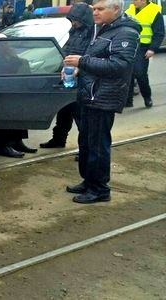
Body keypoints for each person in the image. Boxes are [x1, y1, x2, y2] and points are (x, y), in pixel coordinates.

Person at [63, 0, 139, 203]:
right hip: (90, 94)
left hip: (103, 97)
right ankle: (89, 181)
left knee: (97, 145)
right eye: (94, 9)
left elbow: (120, 65)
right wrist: (80, 68)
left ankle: (100, 189)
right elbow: (96, 59)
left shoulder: (125, 33)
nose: (94, 13)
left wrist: (82, 61)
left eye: (100, 9)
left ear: (115, 10)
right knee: (86, 141)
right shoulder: (102, 30)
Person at [40, 3, 94, 149]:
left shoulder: (93, 33)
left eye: (76, 20)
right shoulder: (74, 31)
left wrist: (80, 66)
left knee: (81, 117)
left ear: (84, 19)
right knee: (64, 111)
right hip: (69, 75)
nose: (73, 22)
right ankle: (58, 140)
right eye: (72, 19)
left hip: (83, 78)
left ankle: (85, 148)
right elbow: (66, 49)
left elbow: (92, 56)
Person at [0, 33, 38, 158]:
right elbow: (8, 68)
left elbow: (19, 64)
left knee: (19, 113)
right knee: (4, 117)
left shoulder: (6, 55)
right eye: (6, 44)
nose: (9, 45)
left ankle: (17, 141)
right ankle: (3, 146)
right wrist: (13, 58)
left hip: (11, 89)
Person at [125, 0, 164, 108]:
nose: (133, 2)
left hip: (143, 47)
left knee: (140, 74)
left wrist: (152, 49)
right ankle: (128, 100)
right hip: (129, 46)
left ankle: (147, 97)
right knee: (128, 73)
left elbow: (159, 33)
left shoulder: (154, 12)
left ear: (143, 0)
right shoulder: (129, 11)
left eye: (135, 0)